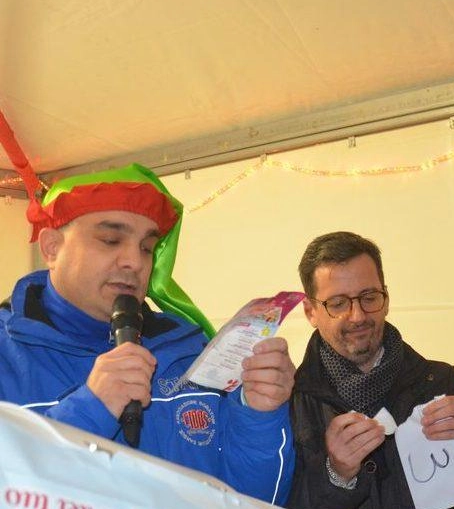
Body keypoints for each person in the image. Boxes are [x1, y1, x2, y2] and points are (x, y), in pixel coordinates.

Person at [0, 164, 295, 505]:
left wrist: (258, 414)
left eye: (146, 247)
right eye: (111, 240)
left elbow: (255, 499)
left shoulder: (189, 350)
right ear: (51, 248)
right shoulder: (8, 354)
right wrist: (88, 410)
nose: (134, 262)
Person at [285, 231, 454, 509]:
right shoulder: (291, 404)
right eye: (338, 304)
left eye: (369, 297)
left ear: (387, 298)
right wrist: (337, 475)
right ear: (311, 312)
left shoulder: (440, 383)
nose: (357, 316)